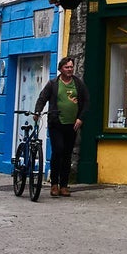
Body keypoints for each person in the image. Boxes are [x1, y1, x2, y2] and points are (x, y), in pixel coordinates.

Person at [33, 57, 90, 197]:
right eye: (67, 67)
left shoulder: (78, 84)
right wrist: (37, 111)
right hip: (56, 123)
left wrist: (80, 118)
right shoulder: (53, 84)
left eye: (71, 67)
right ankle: (54, 184)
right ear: (61, 69)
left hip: (72, 125)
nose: (70, 69)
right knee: (58, 150)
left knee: (67, 154)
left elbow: (86, 101)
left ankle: (64, 185)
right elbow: (42, 98)